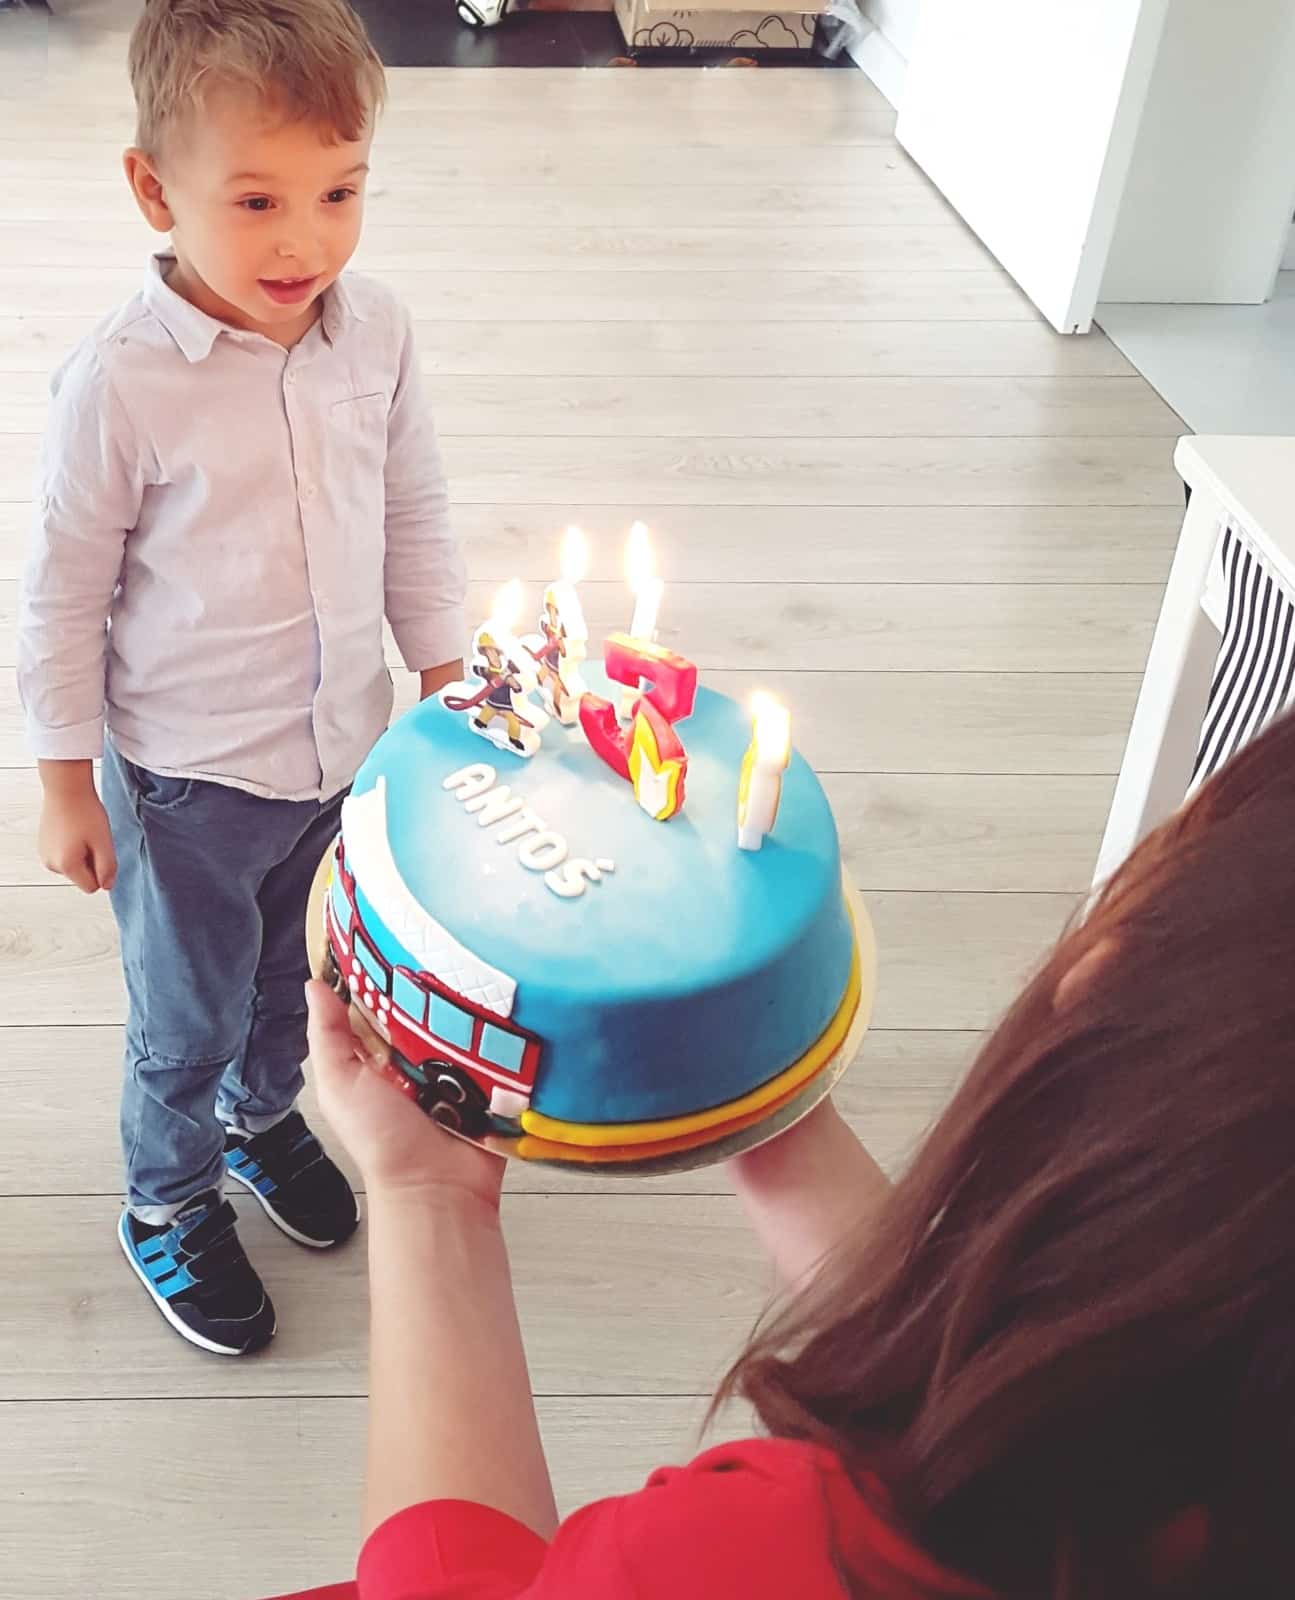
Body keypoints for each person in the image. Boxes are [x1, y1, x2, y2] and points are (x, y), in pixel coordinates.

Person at [290, 705, 1295, 1599]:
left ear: (1102, 986)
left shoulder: (779, 1555)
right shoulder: (1188, 1448)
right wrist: (748, 1067)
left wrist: (427, 1192)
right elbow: (962, 1373)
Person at [16, 0, 466, 1357]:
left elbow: (414, 513)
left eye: (339, 193)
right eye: (257, 200)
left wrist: (446, 680)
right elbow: (62, 594)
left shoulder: (374, 334)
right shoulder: (121, 384)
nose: (303, 242)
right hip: (186, 782)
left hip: (340, 754)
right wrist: (64, 782)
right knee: (188, 1010)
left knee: (300, 973)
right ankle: (164, 1197)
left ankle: (259, 1119)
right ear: (155, 190)